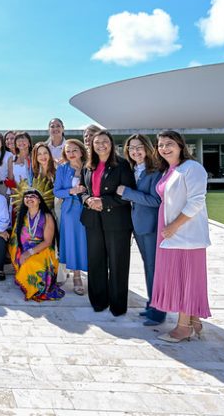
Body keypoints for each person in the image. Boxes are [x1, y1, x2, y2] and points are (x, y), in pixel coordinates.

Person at [151, 130, 211, 342]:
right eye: (160, 145)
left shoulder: (192, 168)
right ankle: (193, 320)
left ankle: (183, 327)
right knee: (176, 277)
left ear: (180, 146)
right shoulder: (169, 170)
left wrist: (174, 226)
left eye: (169, 144)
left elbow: (196, 201)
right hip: (169, 233)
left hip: (185, 234)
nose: (164, 148)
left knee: (186, 278)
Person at [80, 130, 135, 316]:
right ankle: (98, 301)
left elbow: (127, 194)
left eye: (105, 141)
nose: (101, 145)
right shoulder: (88, 166)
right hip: (92, 219)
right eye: (97, 142)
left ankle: (118, 306)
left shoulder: (122, 165)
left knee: (118, 262)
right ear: (92, 145)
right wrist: (87, 200)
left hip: (117, 221)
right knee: (95, 261)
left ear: (111, 144)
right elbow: (82, 190)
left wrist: (104, 202)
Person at [118, 134, 164, 326]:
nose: (135, 151)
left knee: (154, 267)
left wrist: (127, 193)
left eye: (139, 147)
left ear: (147, 148)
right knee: (148, 266)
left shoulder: (155, 172)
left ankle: (159, 310)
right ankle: (152, 303)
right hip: (137, 225)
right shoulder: (133, 169)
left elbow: (155, 201)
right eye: (131, 148)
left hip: (151, 226)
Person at [9, 188, 64, 302]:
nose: (29, 199)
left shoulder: (47, 217)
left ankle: (34, 290)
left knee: (32, 264)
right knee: (22, 260)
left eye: (32, 196)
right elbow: (15, 238)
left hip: (43, 250)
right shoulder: (22, 216)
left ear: (39, 200)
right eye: (26, 197)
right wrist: (19, 252)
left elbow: (48, 242)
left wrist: (29, 253)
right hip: (24, 249)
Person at [53, 139, 89, 295]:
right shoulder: (62, 169)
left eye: (74, 150)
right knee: (73, 243)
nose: (71, 154)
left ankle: (93, 273)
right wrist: (71, 191)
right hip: (70, 211)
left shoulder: (90, 167)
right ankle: (76, 276)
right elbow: (57, 191)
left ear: (81, 151)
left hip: (89, 209)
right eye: (68, 151)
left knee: (88, 242)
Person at [31, 142, 56, 210]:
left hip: (56, 210)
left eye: (45, 153)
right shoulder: (34, 172)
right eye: (39, 154)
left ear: (49, 154)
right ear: (35, 157)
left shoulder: (57, 169)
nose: (43, 156)